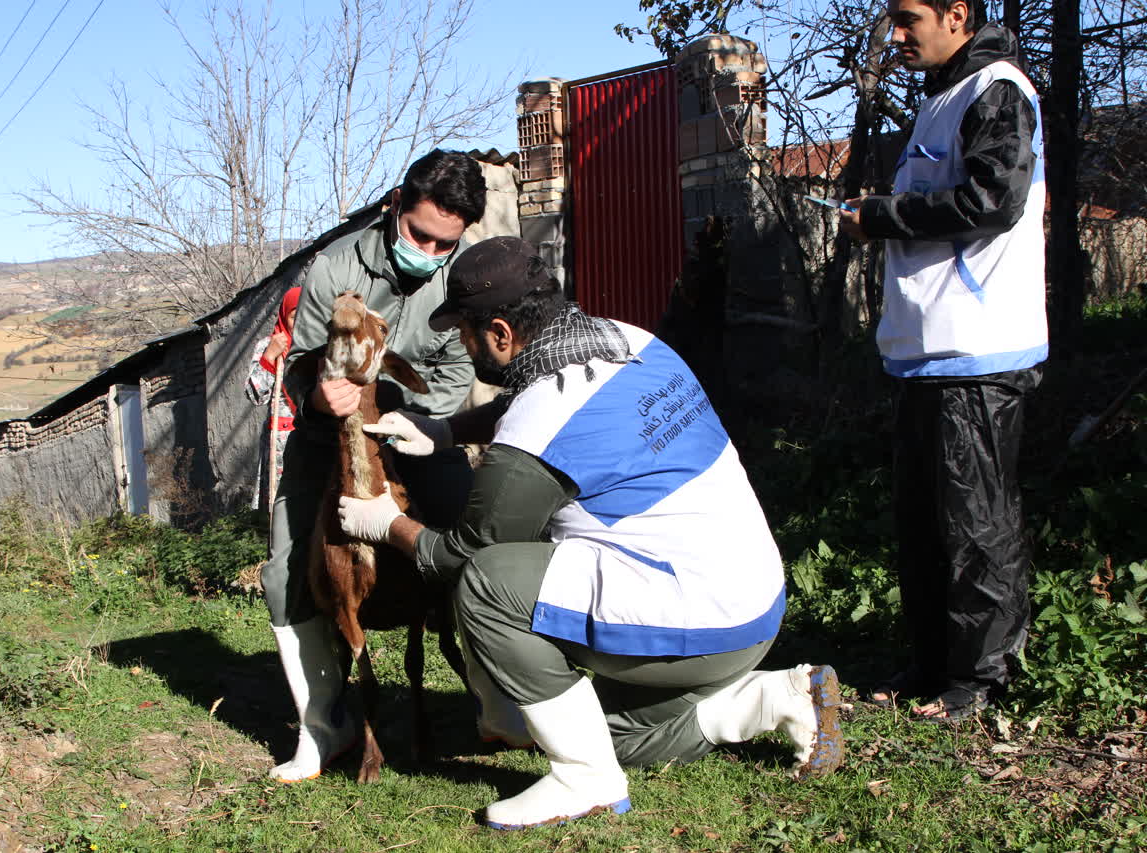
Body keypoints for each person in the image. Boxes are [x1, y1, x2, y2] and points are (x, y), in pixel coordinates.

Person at [338, 237, 844, 830]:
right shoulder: (627, 341)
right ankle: (774, 698)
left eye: (466, 332)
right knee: (593, 729)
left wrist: (386, 522)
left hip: (693, 614)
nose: (461, 342)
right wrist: (446, 431)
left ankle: (585, 780)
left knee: (488, 582)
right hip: (753, 604)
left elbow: (462, 554)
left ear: (500, 334)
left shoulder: (541, 419)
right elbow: (535, 406)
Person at [838, 0, 1046, 720]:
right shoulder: (941, 99)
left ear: (957, 13)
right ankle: (932, 666)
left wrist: (882, 216)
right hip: (927, 356)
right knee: (925, 522)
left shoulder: (997, 90)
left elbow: (996, 197)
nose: (895, 35)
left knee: (975, 524)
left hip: (979, 352)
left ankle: (981, 679)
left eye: (908, 18)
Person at [264, 149, 485, 783]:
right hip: (324, 442)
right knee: (285, 569)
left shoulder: (457, 276)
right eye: (420, 235)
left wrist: (395, 414)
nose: (431, 252)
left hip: (414, 436)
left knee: (473, 538)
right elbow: (303, 362)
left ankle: (492, 698)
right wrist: (318, 396)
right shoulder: (334, 265)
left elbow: (454, 375)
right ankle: (324, 726)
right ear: (395, 204)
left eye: (446, 243)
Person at [245, 284, 301, 508]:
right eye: (295, 316)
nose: (300, 323)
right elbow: (254, 395)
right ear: (284, 316)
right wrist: (269, 357)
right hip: (282, 444)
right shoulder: (267, 346)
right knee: (281, 511)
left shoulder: (321, 348)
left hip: (316, 438)